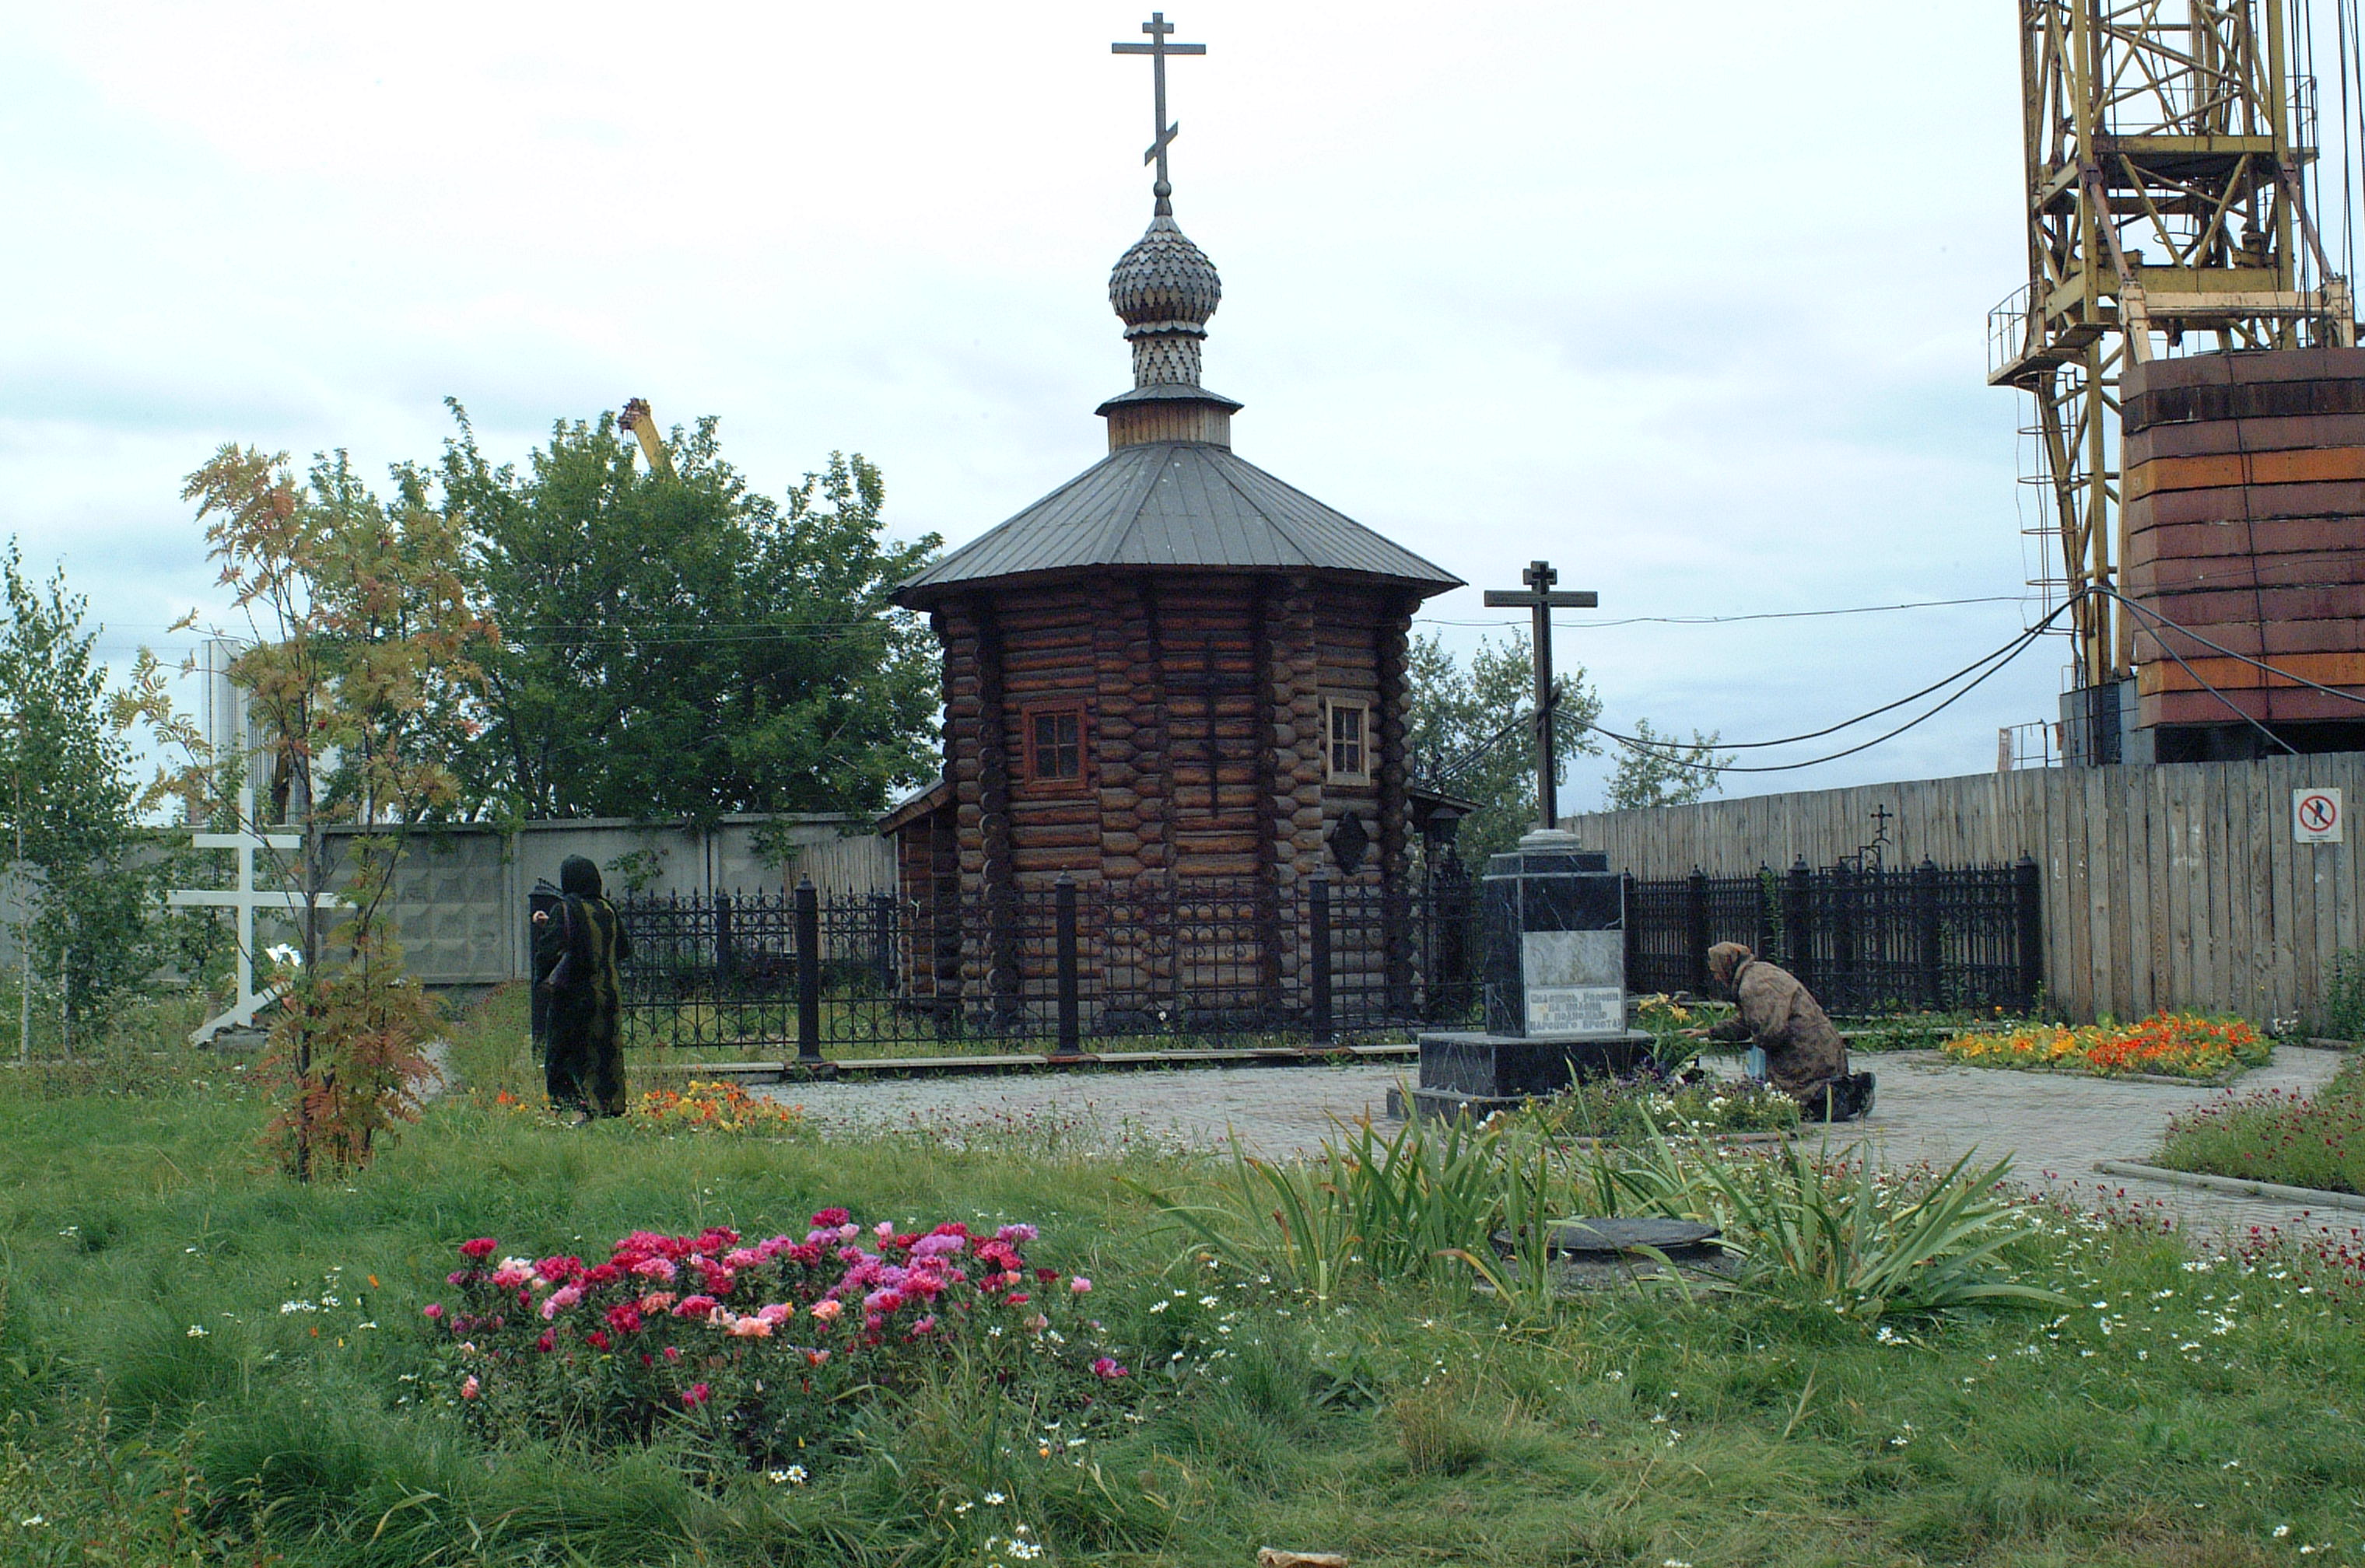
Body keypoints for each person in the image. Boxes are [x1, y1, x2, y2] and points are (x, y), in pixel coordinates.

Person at [1692, 940, 1873, 1122]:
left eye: (1716, 972)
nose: (1716, 978)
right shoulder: (1760, 972)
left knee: (1801, 1102)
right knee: (1813, 1090)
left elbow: (1772, 1032)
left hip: (1804, 1051)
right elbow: (1747, 1022)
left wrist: (1757, 1048)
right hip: (1820, 1044)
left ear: (1726, 966)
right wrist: (1709, 1032)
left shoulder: (1753, 986)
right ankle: (1852, 1089)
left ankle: (1854, 1091)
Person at [533, 855, 631, 1120]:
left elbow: (549, 951)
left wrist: (542, 981)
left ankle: (575, 1110)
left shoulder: (566, 908)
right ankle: (608, 1107)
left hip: (575, 997)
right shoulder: (607, 909)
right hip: (609, 994)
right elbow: (623, 949)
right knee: (605, 1053)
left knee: (564, 1054)